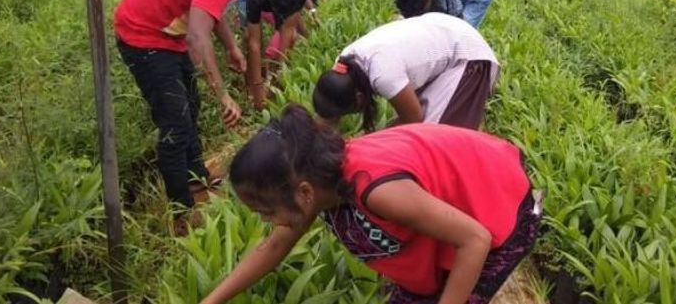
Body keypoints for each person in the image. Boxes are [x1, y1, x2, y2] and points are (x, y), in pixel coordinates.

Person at [199, 105, 541, 304]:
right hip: (456, 216)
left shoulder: (376, 191)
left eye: (267, 211)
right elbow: (273, 248)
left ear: (303, 192)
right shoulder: (316, 180)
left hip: (499, 212)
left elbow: (475, 239)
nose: (267, 221)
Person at [114, 0, 296, 208]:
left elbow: (208, 8)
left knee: (191, 107)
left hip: (168, 32)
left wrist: (231, 46)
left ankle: (197, 176)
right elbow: (197, 37)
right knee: (175, 122)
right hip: (143, 36)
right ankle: (181, 207)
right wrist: (223, 94)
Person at [312, 13, 499, 131]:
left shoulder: (384, 74)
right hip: (440, 29)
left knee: (434, 136)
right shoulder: (344, 63)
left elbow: (413, 120)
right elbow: (327, 118)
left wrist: (366, 143)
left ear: (360, 99)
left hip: (467, 53)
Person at [241, 0, 310, 110]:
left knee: (286, 40)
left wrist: (275, 79)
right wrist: (258, 86)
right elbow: (254, 42)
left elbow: (288, 33)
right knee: (248, 37)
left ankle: (271, 81)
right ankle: (249, 85)